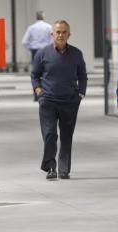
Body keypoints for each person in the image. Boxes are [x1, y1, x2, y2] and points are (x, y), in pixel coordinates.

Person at [31, 20, 87, 180]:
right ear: (52, 34)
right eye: (58, 32)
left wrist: (81, 94)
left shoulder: (76, 54)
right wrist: (38, 89)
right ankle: (50, 167)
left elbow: (82, 76)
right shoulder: (42, 53)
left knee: (66, 136)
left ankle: (64, 169)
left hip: (70, 100)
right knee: (50, 135)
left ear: (69, 34)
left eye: (64, 32)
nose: (61, 35)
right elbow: (34, 75)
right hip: (48, 100)